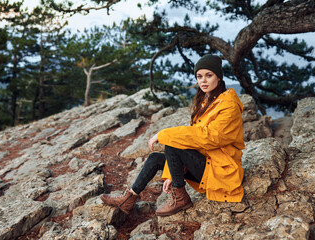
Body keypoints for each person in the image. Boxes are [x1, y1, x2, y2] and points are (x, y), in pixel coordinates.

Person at [100, 54, 245, 216]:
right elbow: (192, 143)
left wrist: (164, 134)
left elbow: (208, 137)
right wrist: (172, 173)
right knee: (155, 158)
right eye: (199, 76)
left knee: (173, 142)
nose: (203, 80)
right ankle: (129, 199)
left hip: (221, 169)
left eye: (208, 75)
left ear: (219, 77)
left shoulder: (229, 105)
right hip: (207, 162)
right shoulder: (205, 101)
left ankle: (181, 197)